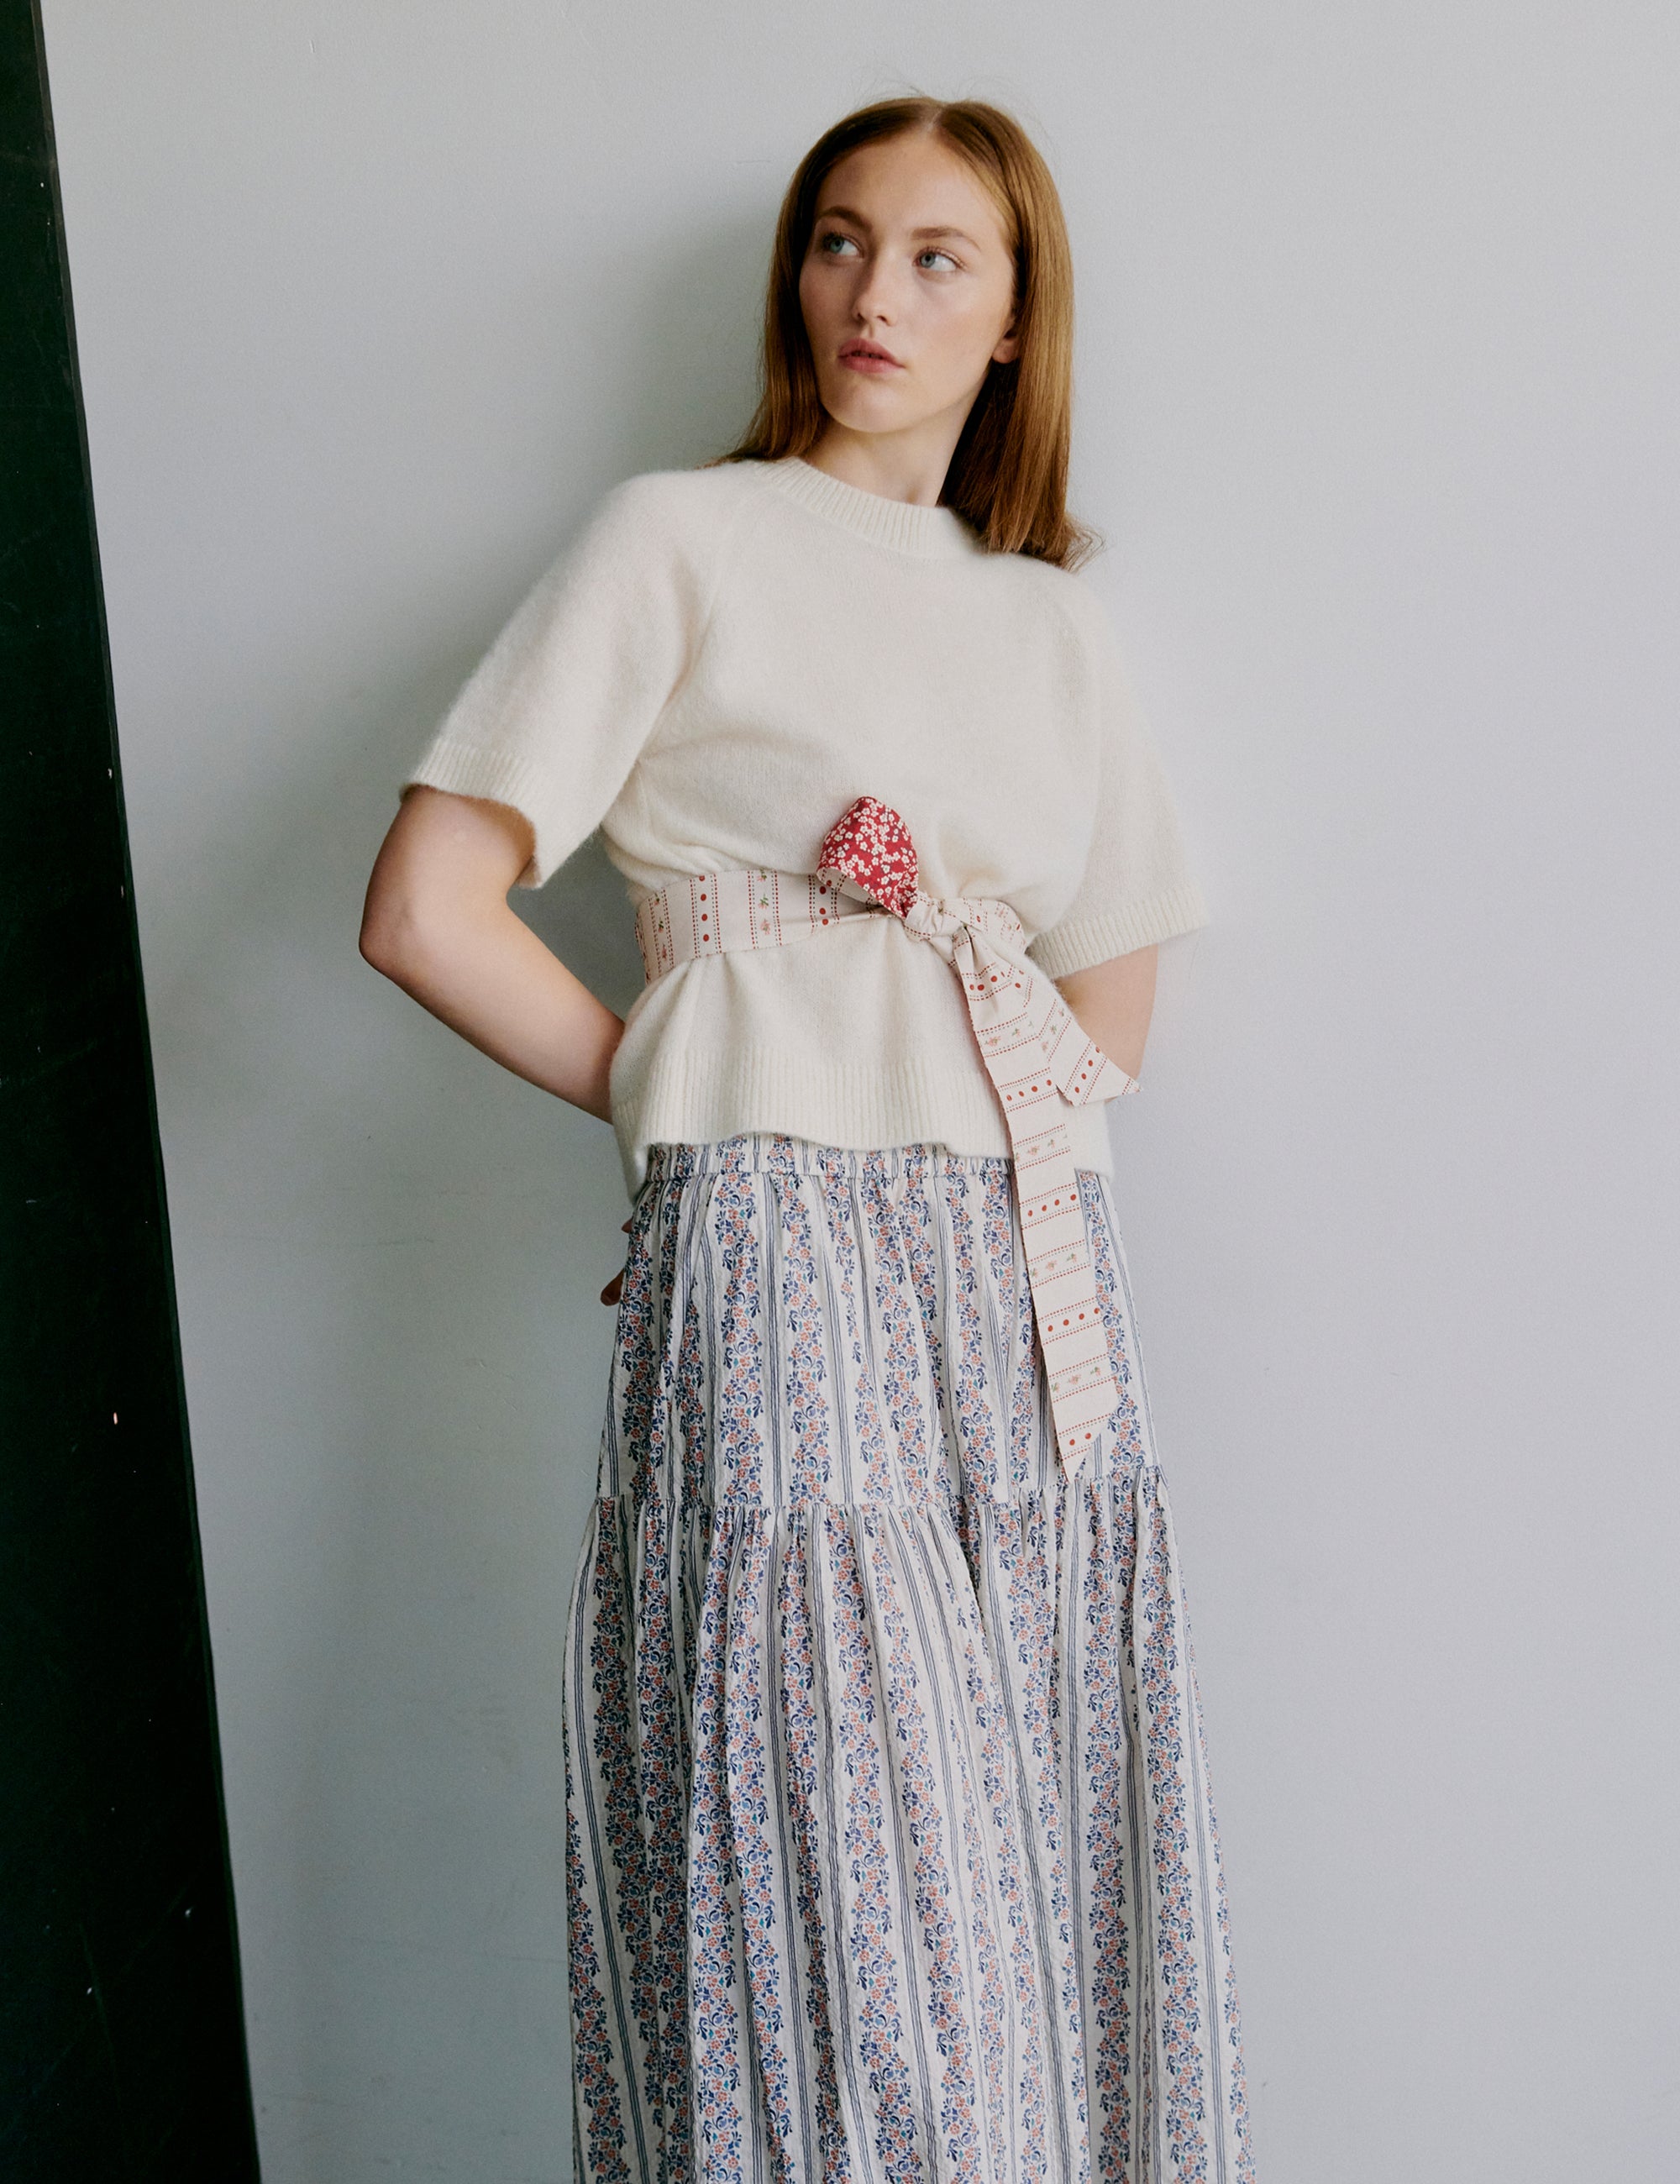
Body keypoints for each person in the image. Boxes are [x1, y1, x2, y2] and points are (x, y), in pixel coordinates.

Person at [361, 95, 1256, 2184]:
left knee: (1041, 1824)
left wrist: (932, 1067)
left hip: (1024, 1262)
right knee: (844, 1869)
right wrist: (693, 1122)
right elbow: (424, 907)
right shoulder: (679, 539)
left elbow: (1107, 1016)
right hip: (772, 1231)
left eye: (940, 257)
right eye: (840, 241)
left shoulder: (1050, 622)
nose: (875, 293)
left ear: (1016, 319)